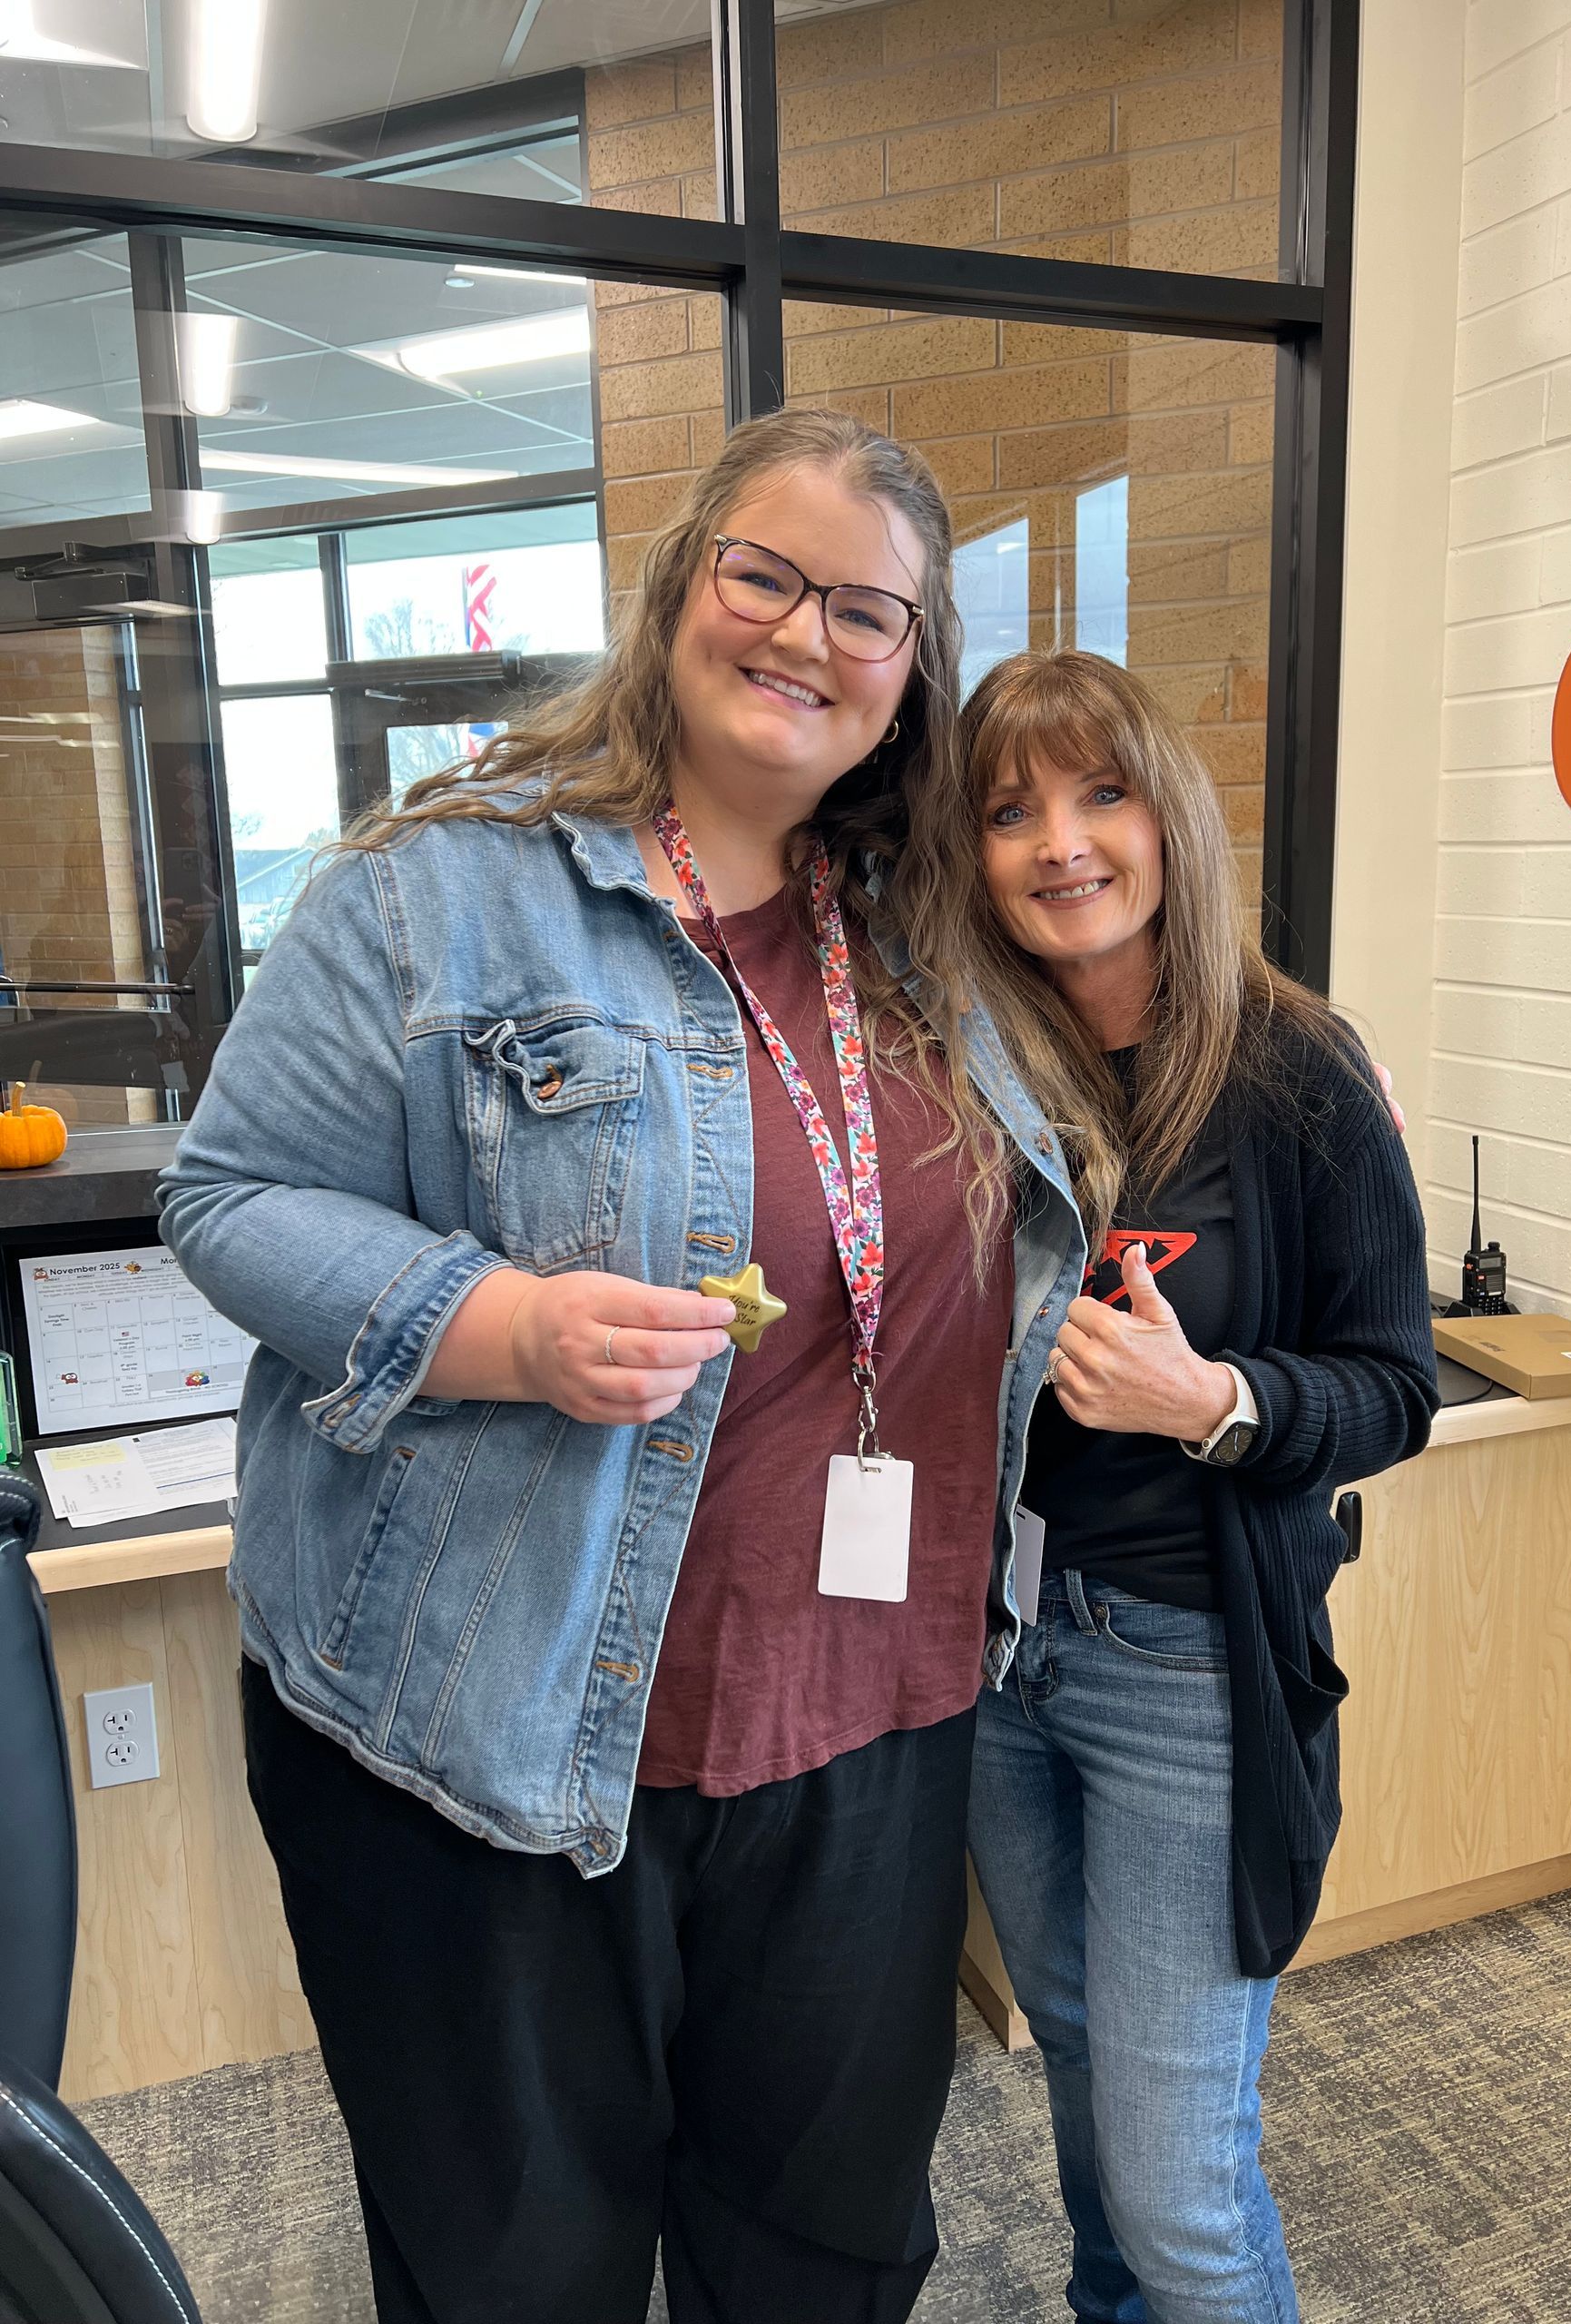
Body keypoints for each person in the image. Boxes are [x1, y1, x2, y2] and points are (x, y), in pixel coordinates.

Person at [156, 409, 1088, 2324]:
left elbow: (1122, 1032)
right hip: (493, 1735)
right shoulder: (441, 887)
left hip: (868, 1723)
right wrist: (499, 1326)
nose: (806, 634)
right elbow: (231, 1191)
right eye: (766, 574)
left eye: (870, 612)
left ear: (913, 675)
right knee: (521, 2271)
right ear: (682, 588)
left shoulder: (927, 927)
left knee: (823, 2254)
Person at [898, 649, 1438, 2324]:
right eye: (1010, 810)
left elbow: (1395, 1387)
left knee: (1181, 2183)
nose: (1060, 843)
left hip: (1186, 1670)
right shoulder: (965, 1071)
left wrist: (1212, 1402)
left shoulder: (1295, 1071)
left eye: (1100, 793)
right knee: (1074, 2062)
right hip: (1002, 1661)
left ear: (1168, 817)